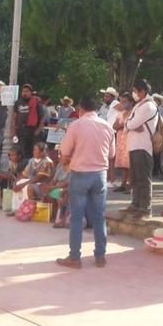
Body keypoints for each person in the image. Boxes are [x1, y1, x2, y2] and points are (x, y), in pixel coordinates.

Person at [56, 96, 115, 269]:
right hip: (100, 175)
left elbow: (65, 153)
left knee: (76, 217)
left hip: (80, 173)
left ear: (81, 108)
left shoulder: (76, 125)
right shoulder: (107, 126)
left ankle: (75, 257)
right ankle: (100, 256)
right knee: (99, 217)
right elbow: (111, 155)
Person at [123, 79, 159, 217]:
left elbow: (131, 123)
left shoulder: (148, 106)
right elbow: (129, 122)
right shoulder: (140, 105)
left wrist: (129, 124)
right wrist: (129, 124)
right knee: (135, 178)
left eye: (135, 91)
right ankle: (136, 204)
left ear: (142, 91)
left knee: (143, 179)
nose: (134, 94)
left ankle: (145, 208)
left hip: (143, 147)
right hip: (134, 146)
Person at [13, 84, 43, 159]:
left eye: (27, 91)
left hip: (33, 130)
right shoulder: (18, 102)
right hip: (21, 130)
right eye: (23, 91)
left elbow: (42, 117)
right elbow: (15, 117)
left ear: (31, 93)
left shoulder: (36, 102)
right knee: (21, 151)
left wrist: (39, 130)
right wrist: (14, 130)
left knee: (33, 151)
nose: (25, 93)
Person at [112, 92, 134, 193]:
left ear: (131, 102)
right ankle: (123, 183)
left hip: (130, 140)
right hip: (121, 140)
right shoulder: (121, 113)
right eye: (121, 101)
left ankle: (130, 184)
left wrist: (122, 126)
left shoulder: (134, 112)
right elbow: (115, 126)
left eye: (125, 101)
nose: (123, 103)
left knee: (130, 163)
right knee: (124, 164)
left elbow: (130, 125)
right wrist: (122, 125)